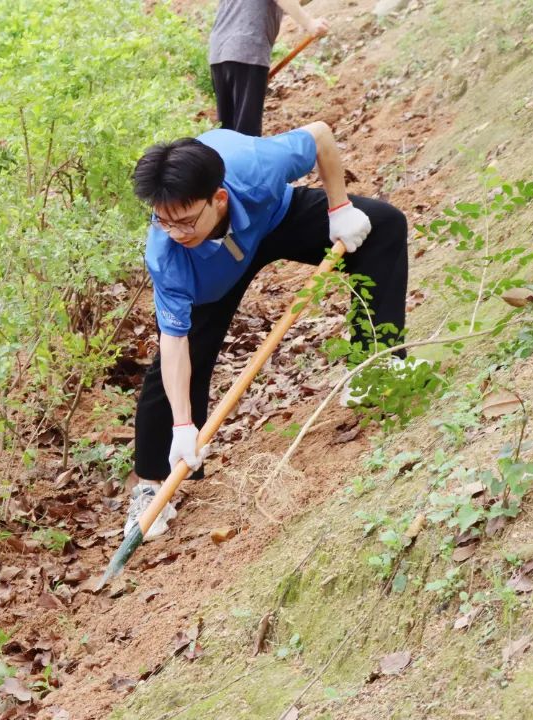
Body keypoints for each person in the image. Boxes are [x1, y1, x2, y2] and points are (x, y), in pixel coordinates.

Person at [124, 122, 410, 537]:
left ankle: (376, 364)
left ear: (218, 198)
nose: (174, 232)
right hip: (211, 273)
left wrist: (339, 207)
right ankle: (150, 486)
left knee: (383, 224)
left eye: (184, 220)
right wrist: (184, 426)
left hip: (272, 218)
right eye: (164, 221)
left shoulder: (256, 168)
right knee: (184, 362)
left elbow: (319, 137)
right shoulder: (170, 252)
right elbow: (174, 341)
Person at [209, 0, 329, 137]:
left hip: (219, 52)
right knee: (246, 134)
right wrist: (309, 23)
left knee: (228, 133)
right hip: (247, 48)